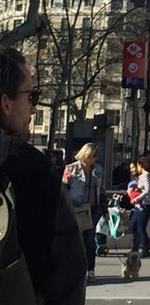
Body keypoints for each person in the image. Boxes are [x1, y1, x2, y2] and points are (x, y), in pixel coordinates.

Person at [0, 47, 85, 303]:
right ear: (6, 102)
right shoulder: (36, 172)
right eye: (32, 96)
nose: (33, 109)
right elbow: (67, 273)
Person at [63, 142, 103, 283]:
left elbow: (100, 190)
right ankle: (73, 269)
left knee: (90, 242)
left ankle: (90, 270)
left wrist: (103, 208)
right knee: (75, 241)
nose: (94, 159)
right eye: (92, 156)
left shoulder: (97, 170)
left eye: (95, 156)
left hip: (91, 209)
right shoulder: (71, 169)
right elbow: (64, 189)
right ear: (85, 155)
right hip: (76, 208)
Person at [128, 157, 150, 257]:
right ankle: (145, 244)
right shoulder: (142, 176)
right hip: (139, 205)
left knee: (140, 228)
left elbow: (148, 190)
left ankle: (145, 249)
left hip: (145, 205)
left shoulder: (146, 176)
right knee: (133, 227)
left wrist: (137, 198)